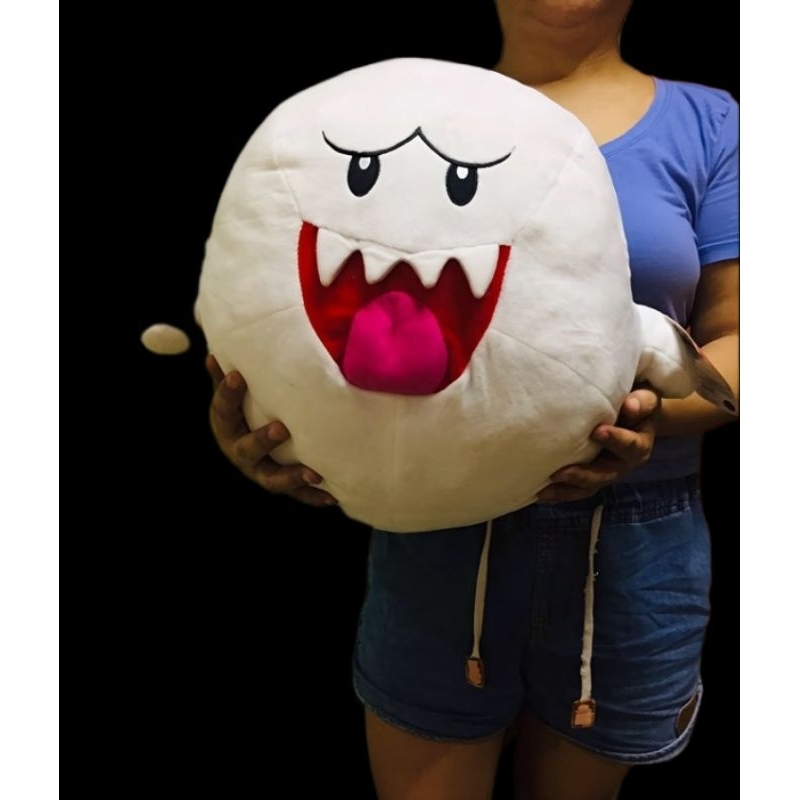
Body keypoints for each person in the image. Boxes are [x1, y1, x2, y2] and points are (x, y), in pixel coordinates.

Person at [203, 1, 739, 797]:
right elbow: (278, 284)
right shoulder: (400, 111)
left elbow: (743, 341)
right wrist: (268, 416)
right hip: (437, 539)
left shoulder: (709, 125)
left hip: (631, 544)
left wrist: (648, 414)